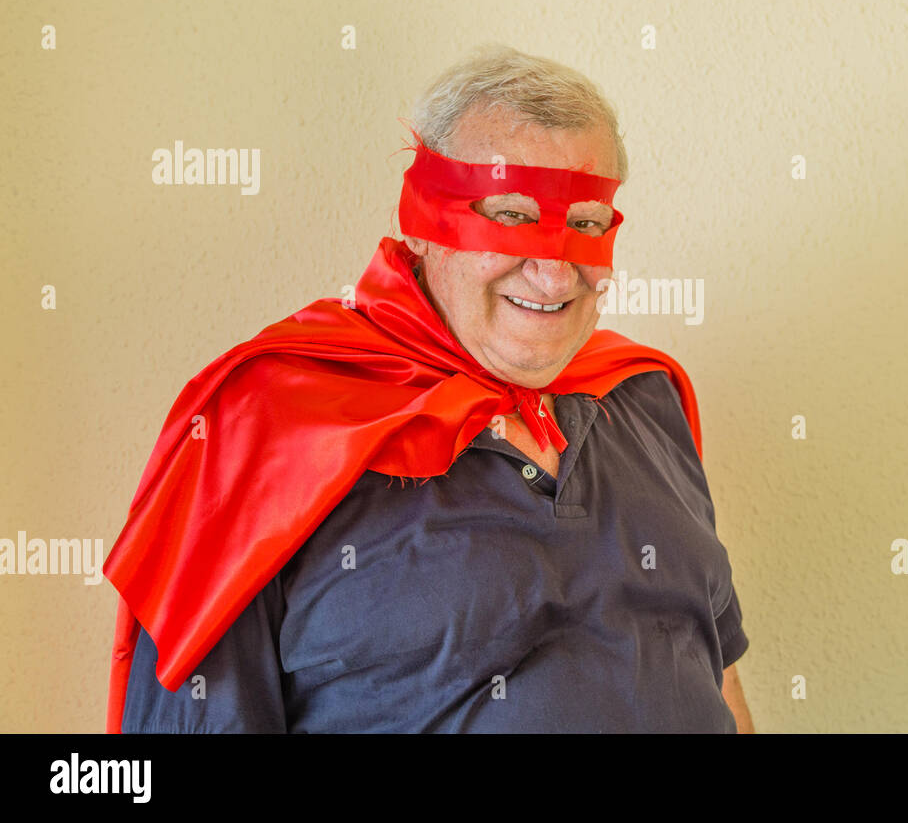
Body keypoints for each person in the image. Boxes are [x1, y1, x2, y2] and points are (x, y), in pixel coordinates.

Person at [104, 44, 754, 733]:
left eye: (587, 226)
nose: (557, 276)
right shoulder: (262, 428)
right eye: (510, 216)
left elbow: (717, 672)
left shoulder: (646, 397)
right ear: (423, 223)